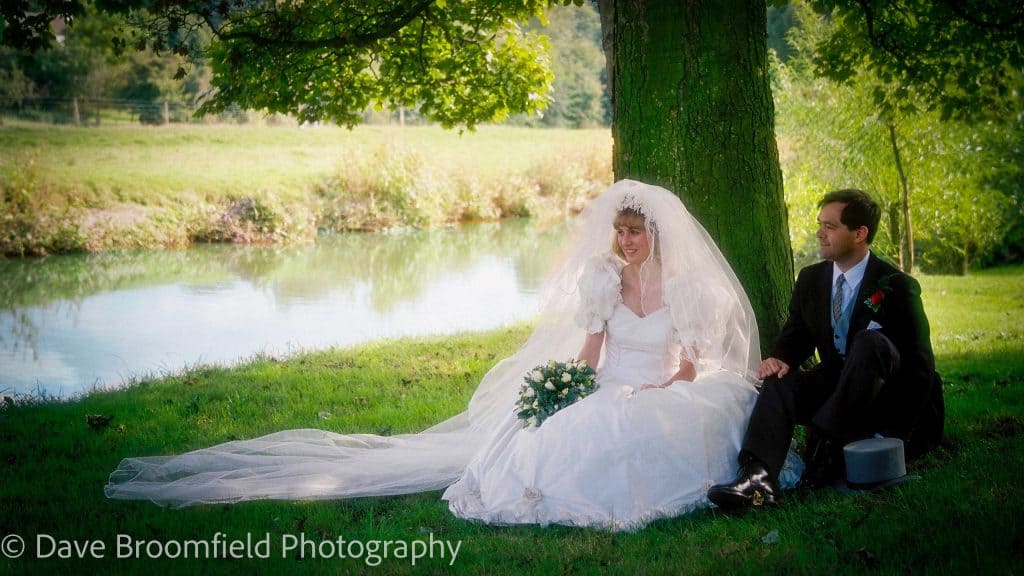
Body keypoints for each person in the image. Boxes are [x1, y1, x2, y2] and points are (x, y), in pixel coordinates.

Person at [105, 180, 799, 530]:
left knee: (679, 417)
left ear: (656, 234)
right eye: (618, 233)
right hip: (612, 382)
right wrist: (569, 388)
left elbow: (693, 361)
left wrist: (669, 386)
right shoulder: (602, 279)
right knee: (578, 433)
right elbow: (591, 351)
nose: (625, 244)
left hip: (665, 385)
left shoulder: (682, 286)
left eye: (634, 233)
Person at [707, 189, 944, 510]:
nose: (820, 233)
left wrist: (894, 437)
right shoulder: (811, 278)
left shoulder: (895, 284)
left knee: (869, 341)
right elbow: (798, 335)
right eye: (820, 224)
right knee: (779, 381)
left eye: (830, 227)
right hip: (834, 383)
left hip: (884, 396)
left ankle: (827, 453)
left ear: (860, 234)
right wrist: (780, 357)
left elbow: (920, 367)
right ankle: (757, 476)